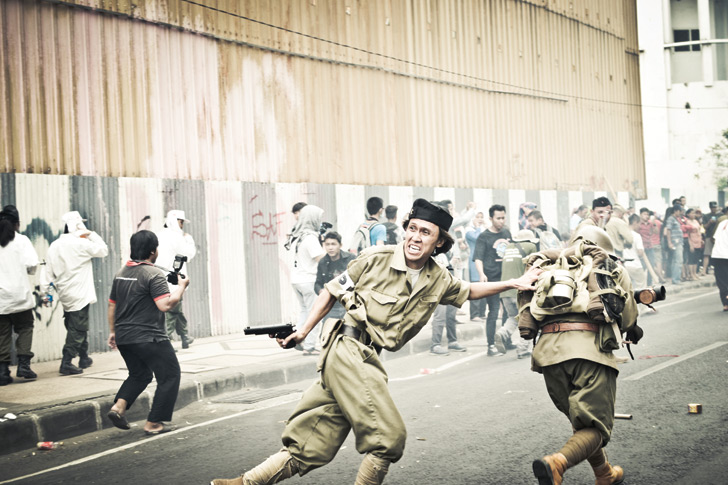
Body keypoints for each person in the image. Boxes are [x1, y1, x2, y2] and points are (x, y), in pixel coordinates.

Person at [210, 199, 540, 485]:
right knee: (388, 438)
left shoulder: (437, 278)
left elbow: (468, 291)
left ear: (439, 243)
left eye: (426, 232)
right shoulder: (376, 257)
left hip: (368, 357)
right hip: (346, 349)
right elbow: (330, 291)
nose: (415, 236)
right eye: (412, 228)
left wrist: (515, 281)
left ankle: (246, 482)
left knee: (312, 444)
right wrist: (303, 330)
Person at [520, 225, 641, 485]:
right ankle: (557, 463)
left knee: (583, 423)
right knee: (596, 427)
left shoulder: (551, 268)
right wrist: (632, 327)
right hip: (590, 353)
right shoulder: (607, 265)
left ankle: (605, 474)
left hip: (548, 356)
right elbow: (628, 316)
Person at [106, 230, 190, 434]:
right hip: (149, 337)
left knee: (140, 374)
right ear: (153, 251)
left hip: (125, 337)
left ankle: (119, 407)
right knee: (170, 375)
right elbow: (165, 305)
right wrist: (181, 287)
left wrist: (112, 332)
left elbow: (112, 305)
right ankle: (154, 422)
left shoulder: (121, 273)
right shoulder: (153, 274)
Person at [42, 211, 108, 375]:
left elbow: (47, 272)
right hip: (80, 293)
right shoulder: (81, 244)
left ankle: (84, 357)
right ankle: (66, 362)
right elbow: (103, 250)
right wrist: (91, 234)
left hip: (65, 293)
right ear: (77, 226)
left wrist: (46, 293)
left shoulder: (54, 245)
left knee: (76, 325)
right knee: (77, 329)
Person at [0, 206, 40, 385]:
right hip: (20, 296)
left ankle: (2, 371)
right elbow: (32, 265)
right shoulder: (22, 240)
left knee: (2, 333)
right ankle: (23, 365)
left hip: (1, 298)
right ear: (17, 223)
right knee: (25, 328)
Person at [473, 204, 512, 356]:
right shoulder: (484, 237)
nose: (501, 221)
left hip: (507, 278)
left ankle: (505, 340)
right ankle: (491, 345)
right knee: (494, 311)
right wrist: (481, 274)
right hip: (492, 279)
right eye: (498, 218)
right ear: (491, 219)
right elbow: (478, 258)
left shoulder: (507, 232)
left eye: (503, 217)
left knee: (509, 311)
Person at [494, 229, 538, 359]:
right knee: (529, 318)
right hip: (520, 290)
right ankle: (523, 349)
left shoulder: (508, 248)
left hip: (505, 290)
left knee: (513, 317)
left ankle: (503, 333)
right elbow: (536, 266)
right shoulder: (531, 246)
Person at [156, 210, 197, 349]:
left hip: (159, 279)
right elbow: (188, 254)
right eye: (181, 222)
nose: (182, 225)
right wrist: (189, 240)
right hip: (174, 281)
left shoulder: (159, 235)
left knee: (176, 309)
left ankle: (185, 336)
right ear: (176, 221)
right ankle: (165, 341)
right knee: (172, 311)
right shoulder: (176, 237)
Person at [289, 205, 326, 355]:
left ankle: (296, 338)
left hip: (296, 279)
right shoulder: (310, 238)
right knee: (315, 313)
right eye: (318, 218)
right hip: (309, 280)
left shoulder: (296, 235)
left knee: (304, 311)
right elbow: (320, 259)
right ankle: (310, 346)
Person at [314, 231, 355, 324]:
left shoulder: (350, 259)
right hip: (331, 306)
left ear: (340, 245)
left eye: (333, 244)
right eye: (327, 244)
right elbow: (317, 283)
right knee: (326, 334)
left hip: (348, 304)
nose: (330, 247)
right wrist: (321, 291)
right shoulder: (323, 262)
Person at [465, 212, 486, 321]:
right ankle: (474, 314)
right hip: (474, 261)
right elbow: (477, 238)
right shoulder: (469, 230)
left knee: (485, 286)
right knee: (476, 286)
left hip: (484, 260)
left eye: (481, 217)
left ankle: (482, 313)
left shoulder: (483, 229)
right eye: (477, 217)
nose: (480, 219)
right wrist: (478, 227)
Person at [638, 208, 663, 285]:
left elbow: (656, 232)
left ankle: (649, 283)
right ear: (641, 215)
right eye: (645, 214)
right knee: (643, 266)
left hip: (650, 246)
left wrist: (654, 223)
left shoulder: (650, 223)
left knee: (651, 265)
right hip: (642, 247)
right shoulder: (638, 224)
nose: (646, 216)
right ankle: (641, 283)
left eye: (648, 214)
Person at [624, 214, 647, 288]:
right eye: (639, 223)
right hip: (636, 265)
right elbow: (640, 252)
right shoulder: (637, 236)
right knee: (641, 286)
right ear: (634, 222)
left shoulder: (623, 235)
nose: (640, 226)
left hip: (625, 265)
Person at [710, 216, 728, 311]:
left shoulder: (722, 223)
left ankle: (725, 303)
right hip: (725, 255)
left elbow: (714, 238)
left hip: (718, 254)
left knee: (722, 280)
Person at [665, 205, 684, 285]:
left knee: (676, 261)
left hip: (678, 242)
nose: (680, 213)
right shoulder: (671, 219)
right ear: (676, 211)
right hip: (675, 243)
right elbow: (668, 230)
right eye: (680, 211)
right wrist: (669, 242)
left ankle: (676, 278)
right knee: (678, 261)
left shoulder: (676, 219)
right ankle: (676, 279)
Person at [701, 201, 720, 276]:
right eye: (712, 207)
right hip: (709, 236)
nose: (714, 209)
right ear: (710, 208)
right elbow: (704, 227)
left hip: (718, 237)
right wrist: (710, 222)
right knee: (707, 254)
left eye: (715, 207)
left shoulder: (720, 215)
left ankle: (717, 270)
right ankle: (704, 270)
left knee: (718, 255)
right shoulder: (706, 216)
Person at [685, 208, 703, 281]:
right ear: (688, 214)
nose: (693, 215)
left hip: (698, 240)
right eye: (691, 213)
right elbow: (688, 234)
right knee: (691, 259)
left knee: (696, 258)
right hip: (692, 240)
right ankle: (691, 274)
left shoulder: (696, 221)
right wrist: (690, 244)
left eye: (694, 213)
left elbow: (699, 230)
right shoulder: (687, 222)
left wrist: (701, 239)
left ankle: (695, 273)